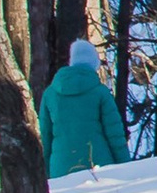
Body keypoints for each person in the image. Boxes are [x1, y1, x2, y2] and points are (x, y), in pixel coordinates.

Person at [38, 37, 128, 176]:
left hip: (60, 169)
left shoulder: (50, 94)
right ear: (94, 63)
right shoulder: (100, 92)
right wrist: (125, 165)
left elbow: (45, 137)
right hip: (99, 167)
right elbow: (115, 134)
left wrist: (45, 172)